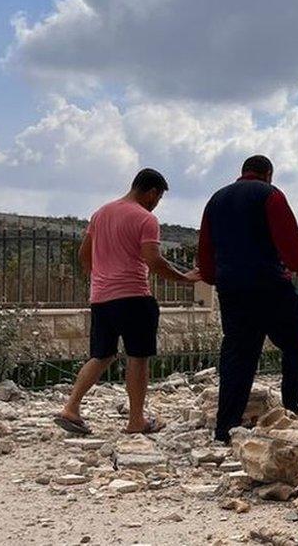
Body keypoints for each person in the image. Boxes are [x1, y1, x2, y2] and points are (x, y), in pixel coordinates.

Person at [54, 168, 200, 435]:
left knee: (101, 355)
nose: (156, 204)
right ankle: (136, 420)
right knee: (138, 357)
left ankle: (71, 408)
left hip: (101, 298)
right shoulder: (146, 219)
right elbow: (154, 261)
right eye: (157, 199)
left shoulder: (101, 213)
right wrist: (185, 278)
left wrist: (102, 276)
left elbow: (84, 256)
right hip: (134, 296)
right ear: (152, 192)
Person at [197, 155, 298, 443]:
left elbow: (206, 247)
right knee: (297, 344)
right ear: (268, 174)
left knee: (238, 354)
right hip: (269, 285)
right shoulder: (270, 195)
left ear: (242, 172)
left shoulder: (215, 200)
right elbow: (289, 241)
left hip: (232, 290)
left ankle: (226, 425)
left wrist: (215, 277)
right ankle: (297, 407)